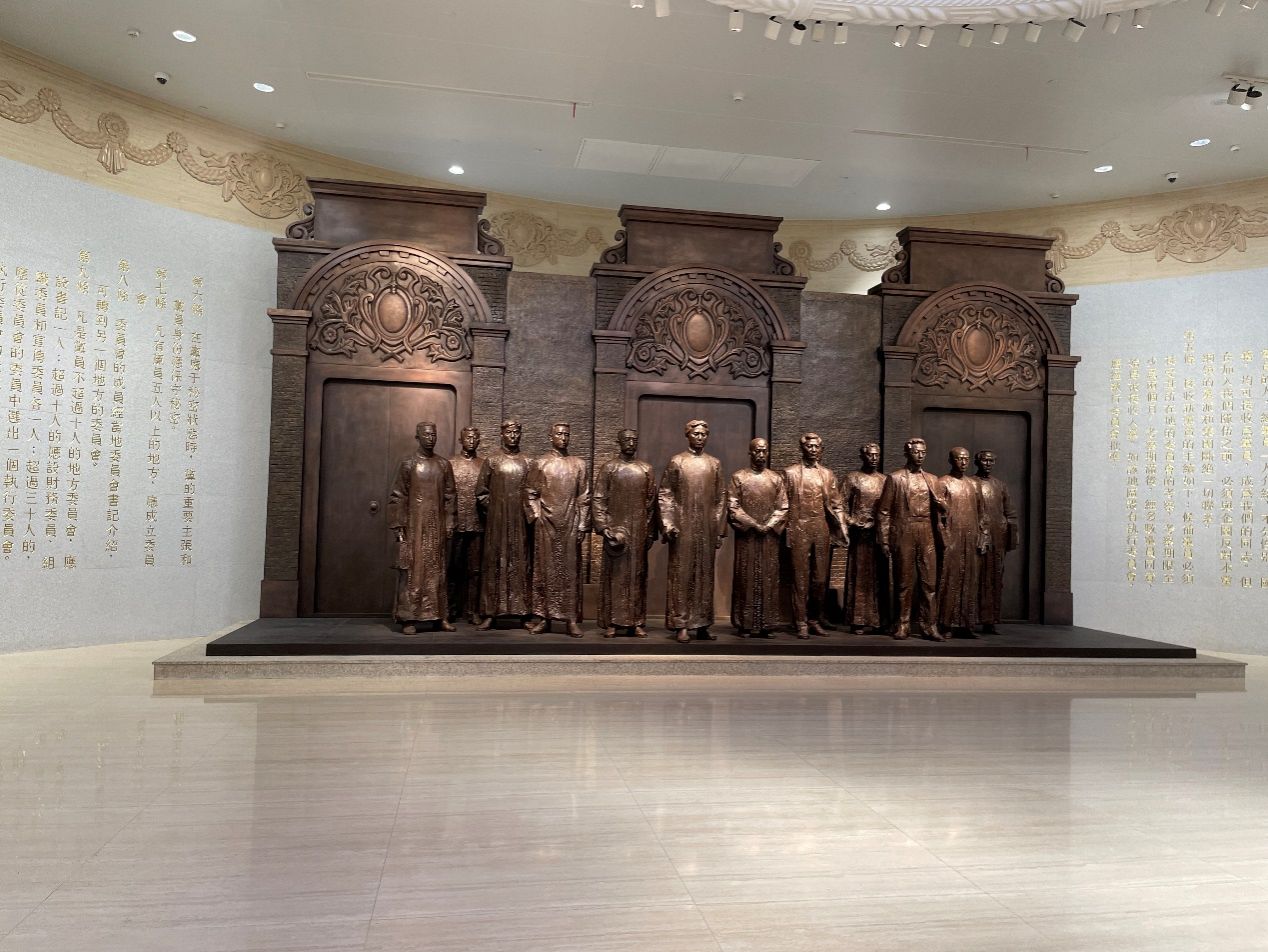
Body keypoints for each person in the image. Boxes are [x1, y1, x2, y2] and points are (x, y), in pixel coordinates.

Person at [659, 419, 727, 644]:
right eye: (696, 434)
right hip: (683, 527)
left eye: (703, 434)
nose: (699, 438)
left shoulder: (714, 464)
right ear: (687, 435)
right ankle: (681, 624)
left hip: (706, 529)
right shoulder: (677, 461)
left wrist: (718, 530)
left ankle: (703, 624)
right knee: (682, 575)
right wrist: (669, 523)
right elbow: (666, 494)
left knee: (705, 576)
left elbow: (721, 498)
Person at [387, 421, 456, 634]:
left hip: (436, 526)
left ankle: (440, 615)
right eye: (426, 435)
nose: (430, 438)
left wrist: (450, 522)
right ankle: (409, 617)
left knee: (437, 571)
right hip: (414, 527)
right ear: (418, 437)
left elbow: (450, 496)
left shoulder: (443, 465)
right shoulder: (408, 464)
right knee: (412, 573)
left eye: (433, 434)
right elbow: (398, 496)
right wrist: (399, 527)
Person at [524, 422, 590, 637]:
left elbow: (584, 497)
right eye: (559, 434)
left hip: (570, 524)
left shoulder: (579, 464)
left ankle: (570, 618)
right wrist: (537, 517)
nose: (563, 438)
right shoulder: (541, 463)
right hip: (546, 525)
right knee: (544, 570)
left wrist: (582, 524)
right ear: (551, 437)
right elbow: (530, 493)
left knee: (570, 572)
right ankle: (543, 617)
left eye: (566, 434)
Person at [876, 437, 946, 641]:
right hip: (904, 531)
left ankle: (929, 625)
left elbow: (944, 510)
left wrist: (942, 505)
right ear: (907, 453)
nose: (920, 455)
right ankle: (902, 624)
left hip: (927, 531)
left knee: (929, 583)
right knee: (903, 582)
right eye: (916, 452)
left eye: (923, 452)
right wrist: (885, 540)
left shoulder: (932, 479)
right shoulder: (895, 478)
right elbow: (884, 511)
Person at [593, 429, 657, 639]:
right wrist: (604, 527)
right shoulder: (609, 468)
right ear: (619, 442)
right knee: (615, 576)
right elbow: (599, 499)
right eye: (627, 440)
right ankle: (612, 622)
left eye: (634, 440)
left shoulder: (645, 469)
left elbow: (651, 503)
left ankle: (636, 621)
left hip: (638, 531)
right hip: (616, 531)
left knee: (637, 576)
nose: (630, 443)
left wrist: (649, 532)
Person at [782, 432, 848, 639]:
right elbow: (782, 505)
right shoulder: (790, 473)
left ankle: (814, 619)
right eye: (809, 446)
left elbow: (837, 504)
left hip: (821, 528)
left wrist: (843, 527)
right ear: (802, 448)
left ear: (821, 450)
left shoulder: (828, 475)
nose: (813, 449)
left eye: (816, 446)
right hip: (799, 527)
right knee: (800, 578)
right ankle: (800, 621)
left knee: (820, 578)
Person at [727, 438, 788, 638]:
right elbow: (733, 506)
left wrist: (769, 525)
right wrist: (753, 524)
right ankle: (744, 624)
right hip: (747, 537)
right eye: (757, 451)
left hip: (770, 537)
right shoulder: (739, 477)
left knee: (769, 577)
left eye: (764, 451)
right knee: (745, 577)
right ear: (750, 453)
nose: (761, 455)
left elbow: (783, 507)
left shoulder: (776, 479)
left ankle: (767, 624)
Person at [475, 420, 532, 630]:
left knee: (521, 564)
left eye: (516, 432)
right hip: (497, 524)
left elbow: (534, 492)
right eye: (509, 432)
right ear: (502, 435)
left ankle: (523, 613)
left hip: (521, 524)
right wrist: (495, 510)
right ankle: (490, 613)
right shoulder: (492, 461)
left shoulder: (528, 462)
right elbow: (481, 492)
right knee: (494, 566)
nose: (513, 436)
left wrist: (527, 514)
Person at [937, 446, 987, 638]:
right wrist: (944, 538)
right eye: (959, 458)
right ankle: (946, 624)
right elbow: (938, 516)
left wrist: (983, 535)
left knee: (970, 581)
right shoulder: (943, 482)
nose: (963, 462)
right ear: (951, 460)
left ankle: (967, 624)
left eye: (966, 459)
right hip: (952, 539)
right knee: (949, 580)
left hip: (971, 538)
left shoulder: (974, 484)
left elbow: (982, 514)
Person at [842, 442, 887, 634]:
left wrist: (879, 525)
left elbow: (889, 508)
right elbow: (840, 506)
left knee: (879, 577)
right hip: (859, 536)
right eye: (870, 455)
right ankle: (858, 619)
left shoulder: (885, 480)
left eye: (877, 455)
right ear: (862, 456)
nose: (874, 458)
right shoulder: (852, 478)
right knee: (859, 575)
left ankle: (878, 620)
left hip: (878, 535)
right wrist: (853, 521)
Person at [974, 449, 1019, 635]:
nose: (988, 464)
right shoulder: (971, 483)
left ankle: (990, 620)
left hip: (997, 539)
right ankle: (970, 620)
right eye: (985, 460)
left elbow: (1010, 513)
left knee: (995, 579)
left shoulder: (1000, 485)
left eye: (991, 461)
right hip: (977, 538)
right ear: (977, 462)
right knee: (975, 579)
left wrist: (1011, 539)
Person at [447, 425, 484, 625]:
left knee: (476, 570)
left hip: (477, 524)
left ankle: (473, 610)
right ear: (461, 440)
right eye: (467, 438)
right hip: (456, 523)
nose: (471, 441)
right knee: (452, 568)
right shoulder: (450, 464)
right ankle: (449, 608)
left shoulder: (484, 464)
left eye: (474, 438)